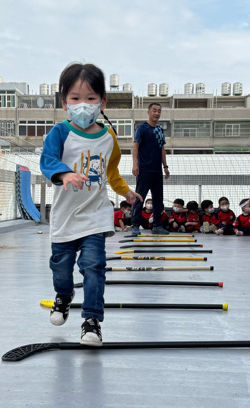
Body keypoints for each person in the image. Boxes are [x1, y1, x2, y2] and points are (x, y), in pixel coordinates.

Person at [40, 62, 141, 344]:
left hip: (96, 214)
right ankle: (64, 295)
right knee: (61, 268)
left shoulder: (109, 138)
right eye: (75, 98)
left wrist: (125, 192)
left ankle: (92, 320)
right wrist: (64, 173)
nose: (82, 104)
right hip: (65, 216)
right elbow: (47, 160)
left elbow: (111, 172)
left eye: (90, 98)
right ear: (64, 102)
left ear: (102, 102)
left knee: (94, 266)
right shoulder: (60, 133)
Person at [131, 102, 170, 234]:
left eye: (159, 111)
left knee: (158, 199)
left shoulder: (160, 130)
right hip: (144, 169)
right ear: (148, 112)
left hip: (157, 170)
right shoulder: (142, 128)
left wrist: (165, 166)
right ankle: (135, 225)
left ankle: (157, 225)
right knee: (140, 197)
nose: (157, 113)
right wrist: (135, 164)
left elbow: (162, 148)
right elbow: (135, 146)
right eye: (154, 110)